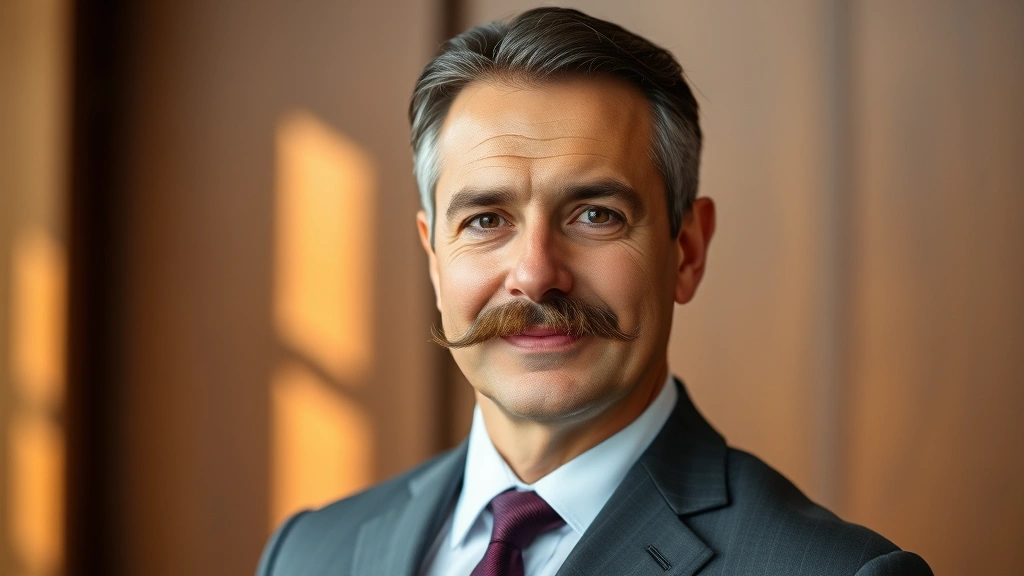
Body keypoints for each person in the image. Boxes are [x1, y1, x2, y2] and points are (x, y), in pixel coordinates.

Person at [257, 7, 932, 575]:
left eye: (595, 215)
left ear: (687, 250)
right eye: (486, 220)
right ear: (434, 257)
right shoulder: (308, 554)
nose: (535, 273)